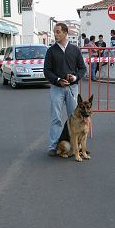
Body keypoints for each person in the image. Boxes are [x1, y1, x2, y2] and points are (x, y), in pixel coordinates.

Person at [44, 22, 87, 157]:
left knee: (74, 117)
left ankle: (77, 147)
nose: (55, 34)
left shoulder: (75, 50)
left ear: (65, 33)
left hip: (72, 88)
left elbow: (82, 69)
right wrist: (57, 80)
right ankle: (54, 146)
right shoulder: (51, 51)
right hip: (57, 89)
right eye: (54, 32)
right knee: (55, 117)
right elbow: (47, 70)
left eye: (58, 32)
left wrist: (74, 78)